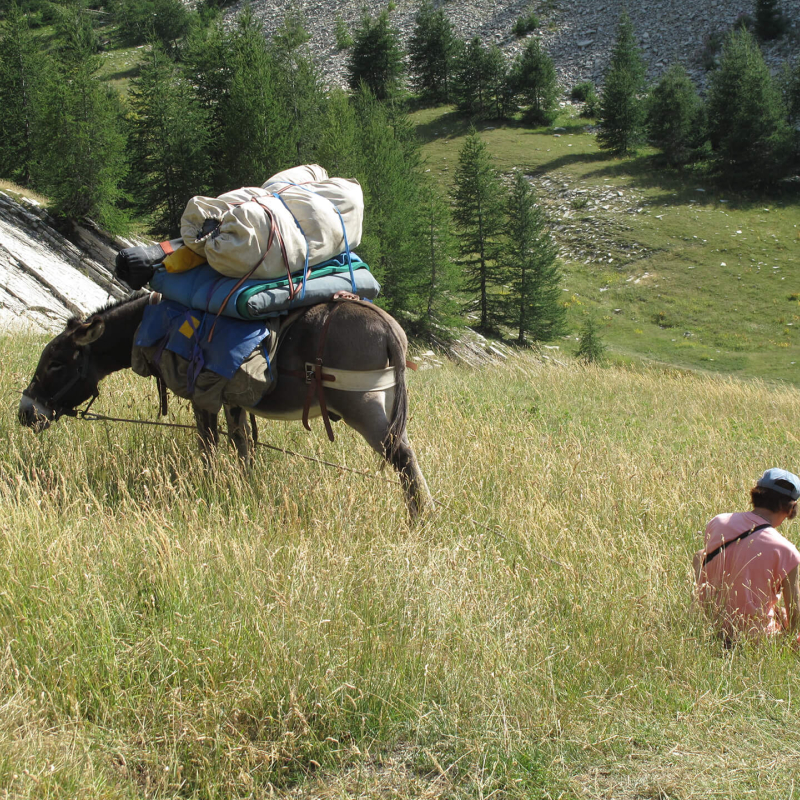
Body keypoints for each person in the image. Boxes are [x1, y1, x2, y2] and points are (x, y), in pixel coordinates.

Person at [694, 468, 800, 641]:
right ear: (791, 508)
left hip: (711, 628)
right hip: (755, 639)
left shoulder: (718, 522)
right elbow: (795, 613)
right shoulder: (787, 551)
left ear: (756, 495)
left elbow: (702, 558)